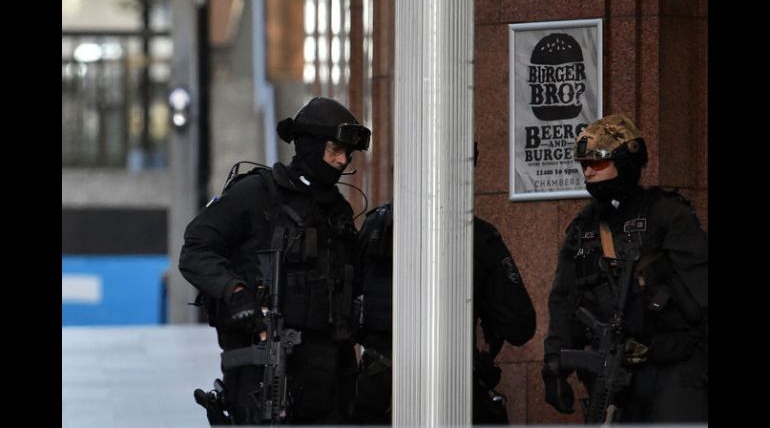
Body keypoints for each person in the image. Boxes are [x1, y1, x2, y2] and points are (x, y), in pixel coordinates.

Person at [178, 96, 371, 425]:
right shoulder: (256, 193)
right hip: (264, 365)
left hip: (331, 373)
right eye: (334, 151)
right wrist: (235, 293)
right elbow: (196, 249)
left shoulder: (336, 210)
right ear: (309, 147)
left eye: (346, 154)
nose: (341, 161)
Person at [352, 145, 537, 424]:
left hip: (378, 388)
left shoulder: (374, 227)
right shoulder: (479, 237)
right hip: (450, 388)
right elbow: (520, 325)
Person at [542, 114, 708, 423]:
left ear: (626, 162)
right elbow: (564, 300)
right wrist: (554, 365)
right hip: (615, 373)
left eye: (598, 163)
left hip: (673, 369)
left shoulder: (666, 215)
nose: (588, 172)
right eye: (584, 165)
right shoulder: (583, 228)